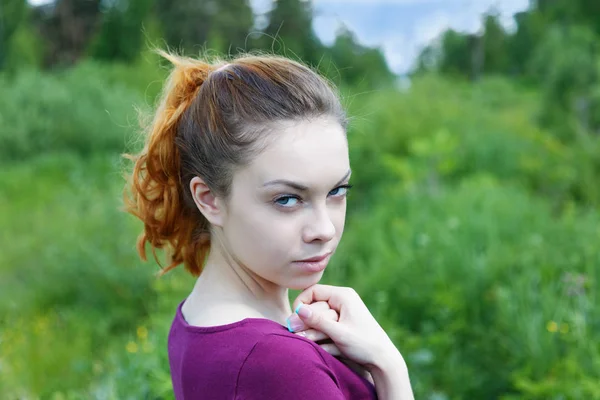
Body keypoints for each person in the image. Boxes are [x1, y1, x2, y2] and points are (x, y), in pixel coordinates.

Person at [124, 49, 414, 400]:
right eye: (287, 199)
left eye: (337, 191)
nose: (324, 229)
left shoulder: (195, 320)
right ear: (209, 199)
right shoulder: (280, 364)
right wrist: (389, 367)